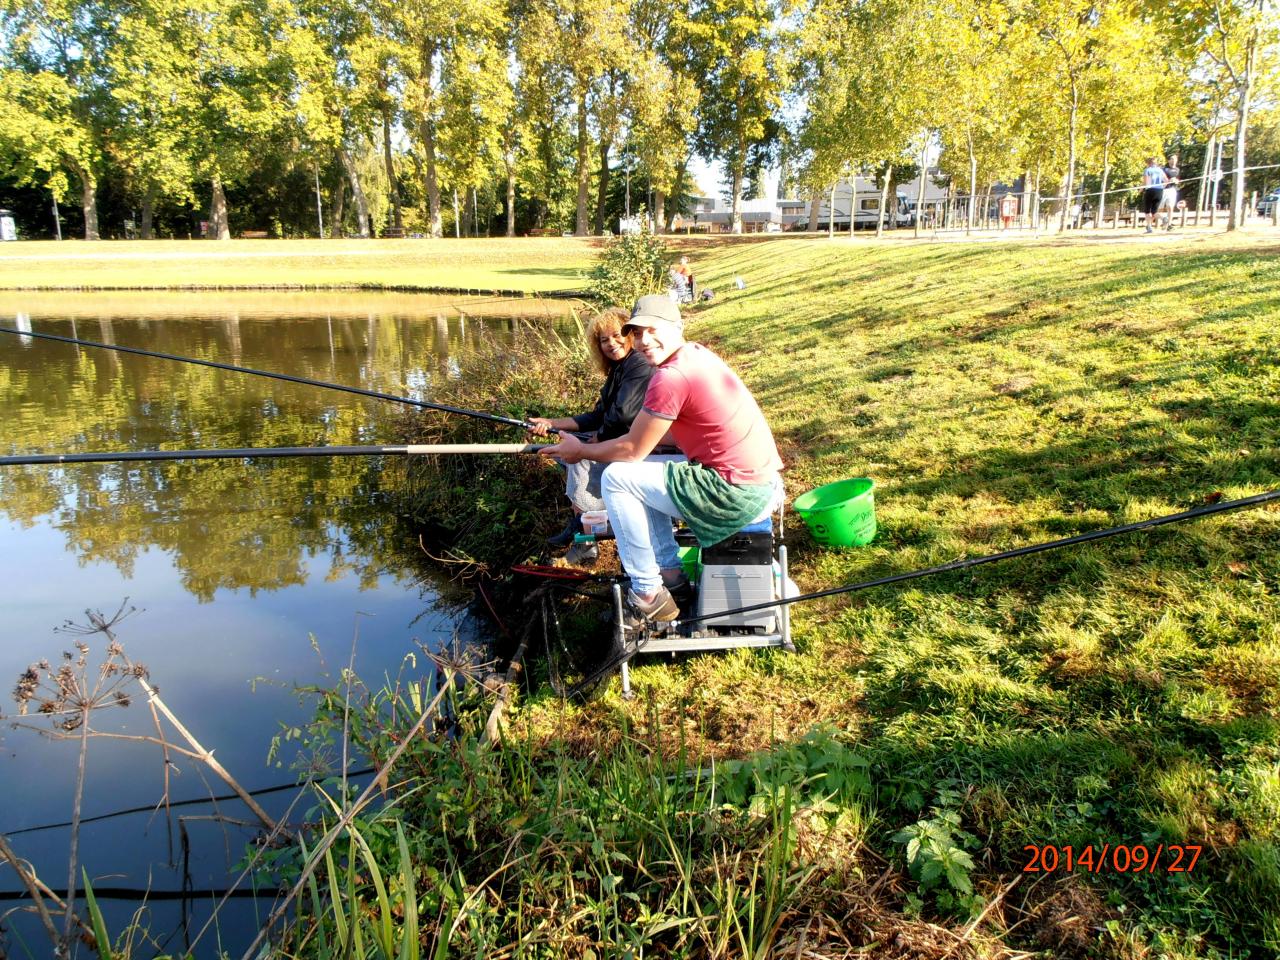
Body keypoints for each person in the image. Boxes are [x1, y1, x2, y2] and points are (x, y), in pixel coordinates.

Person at [540, 295, 783, 624]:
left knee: (617, 477)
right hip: (757, 482)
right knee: (634, 473)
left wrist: (580, 451)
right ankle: (672, 580)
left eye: (652, 330)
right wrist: (625, 445)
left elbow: (632, 449)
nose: (643, 341)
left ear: (677, 327)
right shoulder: (695, 355)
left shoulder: (670, 376)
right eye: (637, 333)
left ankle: (648, 592)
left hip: (735, 494)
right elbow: (664, 435)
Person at [527, 308, 655, 564]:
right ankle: (584, 525)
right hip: (624, 437)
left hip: (642, 444)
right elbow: (597, 416)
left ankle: (586, 532)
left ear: (629, 336)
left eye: (617, 336)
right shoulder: (618, 369)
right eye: (604, 340)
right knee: (573, 448)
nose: (611, 344)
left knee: (579, 455)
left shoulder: (638, 364)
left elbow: (622, 414)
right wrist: (551, 423)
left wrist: (595, 440)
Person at [1141, 157, 1167, 234]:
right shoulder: (1160, 170)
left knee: (1147, 210)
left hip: (1150, 190)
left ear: (1148, 163)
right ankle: (1163, 218)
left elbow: (1146, 182)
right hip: (1159, 191)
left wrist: (1141, 190)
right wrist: (1161, 188)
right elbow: (1166, 181)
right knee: (1154, 211)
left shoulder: (1147, 170)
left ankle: (1149, 228)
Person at [1158, 154, 1180, 231]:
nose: (1173, 160)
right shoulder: (1164, 169)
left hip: (1172, 190)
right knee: (1159, 209)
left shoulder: (1177, 170)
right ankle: (1163, 221)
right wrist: (1168, 181)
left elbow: (1178, 179)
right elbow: (1161, 180)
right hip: (1164, 190)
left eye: (1175, 159)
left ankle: (1169, 225)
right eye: (1172, 159)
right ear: (1168, 160)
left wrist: (1177, 181)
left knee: (1170, 207)